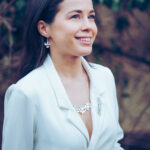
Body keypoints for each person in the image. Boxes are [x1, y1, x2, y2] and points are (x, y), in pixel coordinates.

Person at [2, 0, 124, 149]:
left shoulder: (104, 77)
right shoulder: (26, 93)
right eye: (75, 16)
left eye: (91, 16)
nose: (88, 26)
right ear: (44, 28)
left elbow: (113, 144)